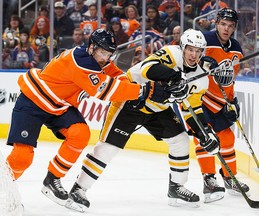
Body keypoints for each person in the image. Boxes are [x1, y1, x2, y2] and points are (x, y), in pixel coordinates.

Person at [5, 29, 170, 207]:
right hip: (33, 101)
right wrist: (144, 91)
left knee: (80, 133)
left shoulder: (97, 58)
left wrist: (135, 90)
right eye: (103, 53)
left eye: (109, 54)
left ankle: (52, 179)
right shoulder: (81, 61)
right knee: (22, 157)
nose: (106, 58)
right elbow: (106, 90)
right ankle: (3, 187)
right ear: (92, 47)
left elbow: (116, 75)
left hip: (59, 106)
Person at [64, 28, 220, 213]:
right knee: (108, 148)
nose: (193, 55)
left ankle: (176, 188)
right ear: (182, 47)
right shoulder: (171, 54)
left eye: (198, 51)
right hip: (131, 100)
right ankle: (79, 189)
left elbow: (192, 108)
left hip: (157, 108)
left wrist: (205, 132)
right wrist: (174, 76)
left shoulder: (201, 79)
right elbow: (147, 68)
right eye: (190, 49)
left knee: (180, 140)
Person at [194, 8, 250, 201]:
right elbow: (187, 60)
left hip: (220, 101)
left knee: (226, 139)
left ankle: (229, 178)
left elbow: (231, 79)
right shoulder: (204, 40)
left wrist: (232, 101)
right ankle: (208, 180)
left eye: (231, 26)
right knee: (205, 138)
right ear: (216, 23)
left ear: (234, 28)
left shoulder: (236, 48)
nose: (226, 29)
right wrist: (202, 62)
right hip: (200, 98)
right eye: (223, 24)